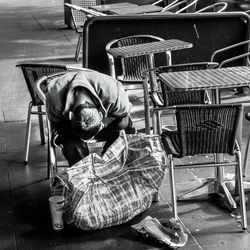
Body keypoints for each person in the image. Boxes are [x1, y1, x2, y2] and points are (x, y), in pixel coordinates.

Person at [46, 69, 136, 166]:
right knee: (71, 142)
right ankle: (83, 170)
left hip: (108, 114)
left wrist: (106, 122)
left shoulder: (113, 94)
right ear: (71, 115)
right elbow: (57, 124)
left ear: (101, 115)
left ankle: (109, 164)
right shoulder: (56, 102)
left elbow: (125, 111)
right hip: (66, 120)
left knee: (124, 123)